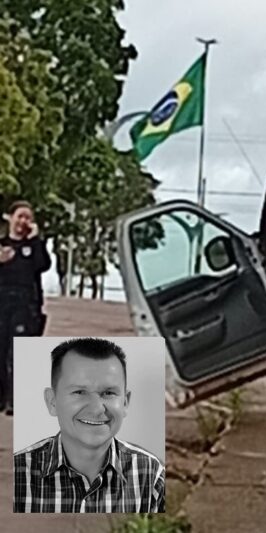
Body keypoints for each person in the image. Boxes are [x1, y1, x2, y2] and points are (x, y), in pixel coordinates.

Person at [13, 337, 165, 513]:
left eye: (108, 393)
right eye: (79, 392)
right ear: (52, 401)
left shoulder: (151, 474)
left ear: (125, 403)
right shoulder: (17, 473)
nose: (96, 409)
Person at [0, 200, 51, 415]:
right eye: (20, 216)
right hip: (2, 303)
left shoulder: (33, 246)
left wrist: (36, 240)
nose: (23, 221)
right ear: (9, 218)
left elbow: (43, 265)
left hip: (25, 305)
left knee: (18, 353)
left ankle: (15, 399)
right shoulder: (2, 244)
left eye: (28, 217)